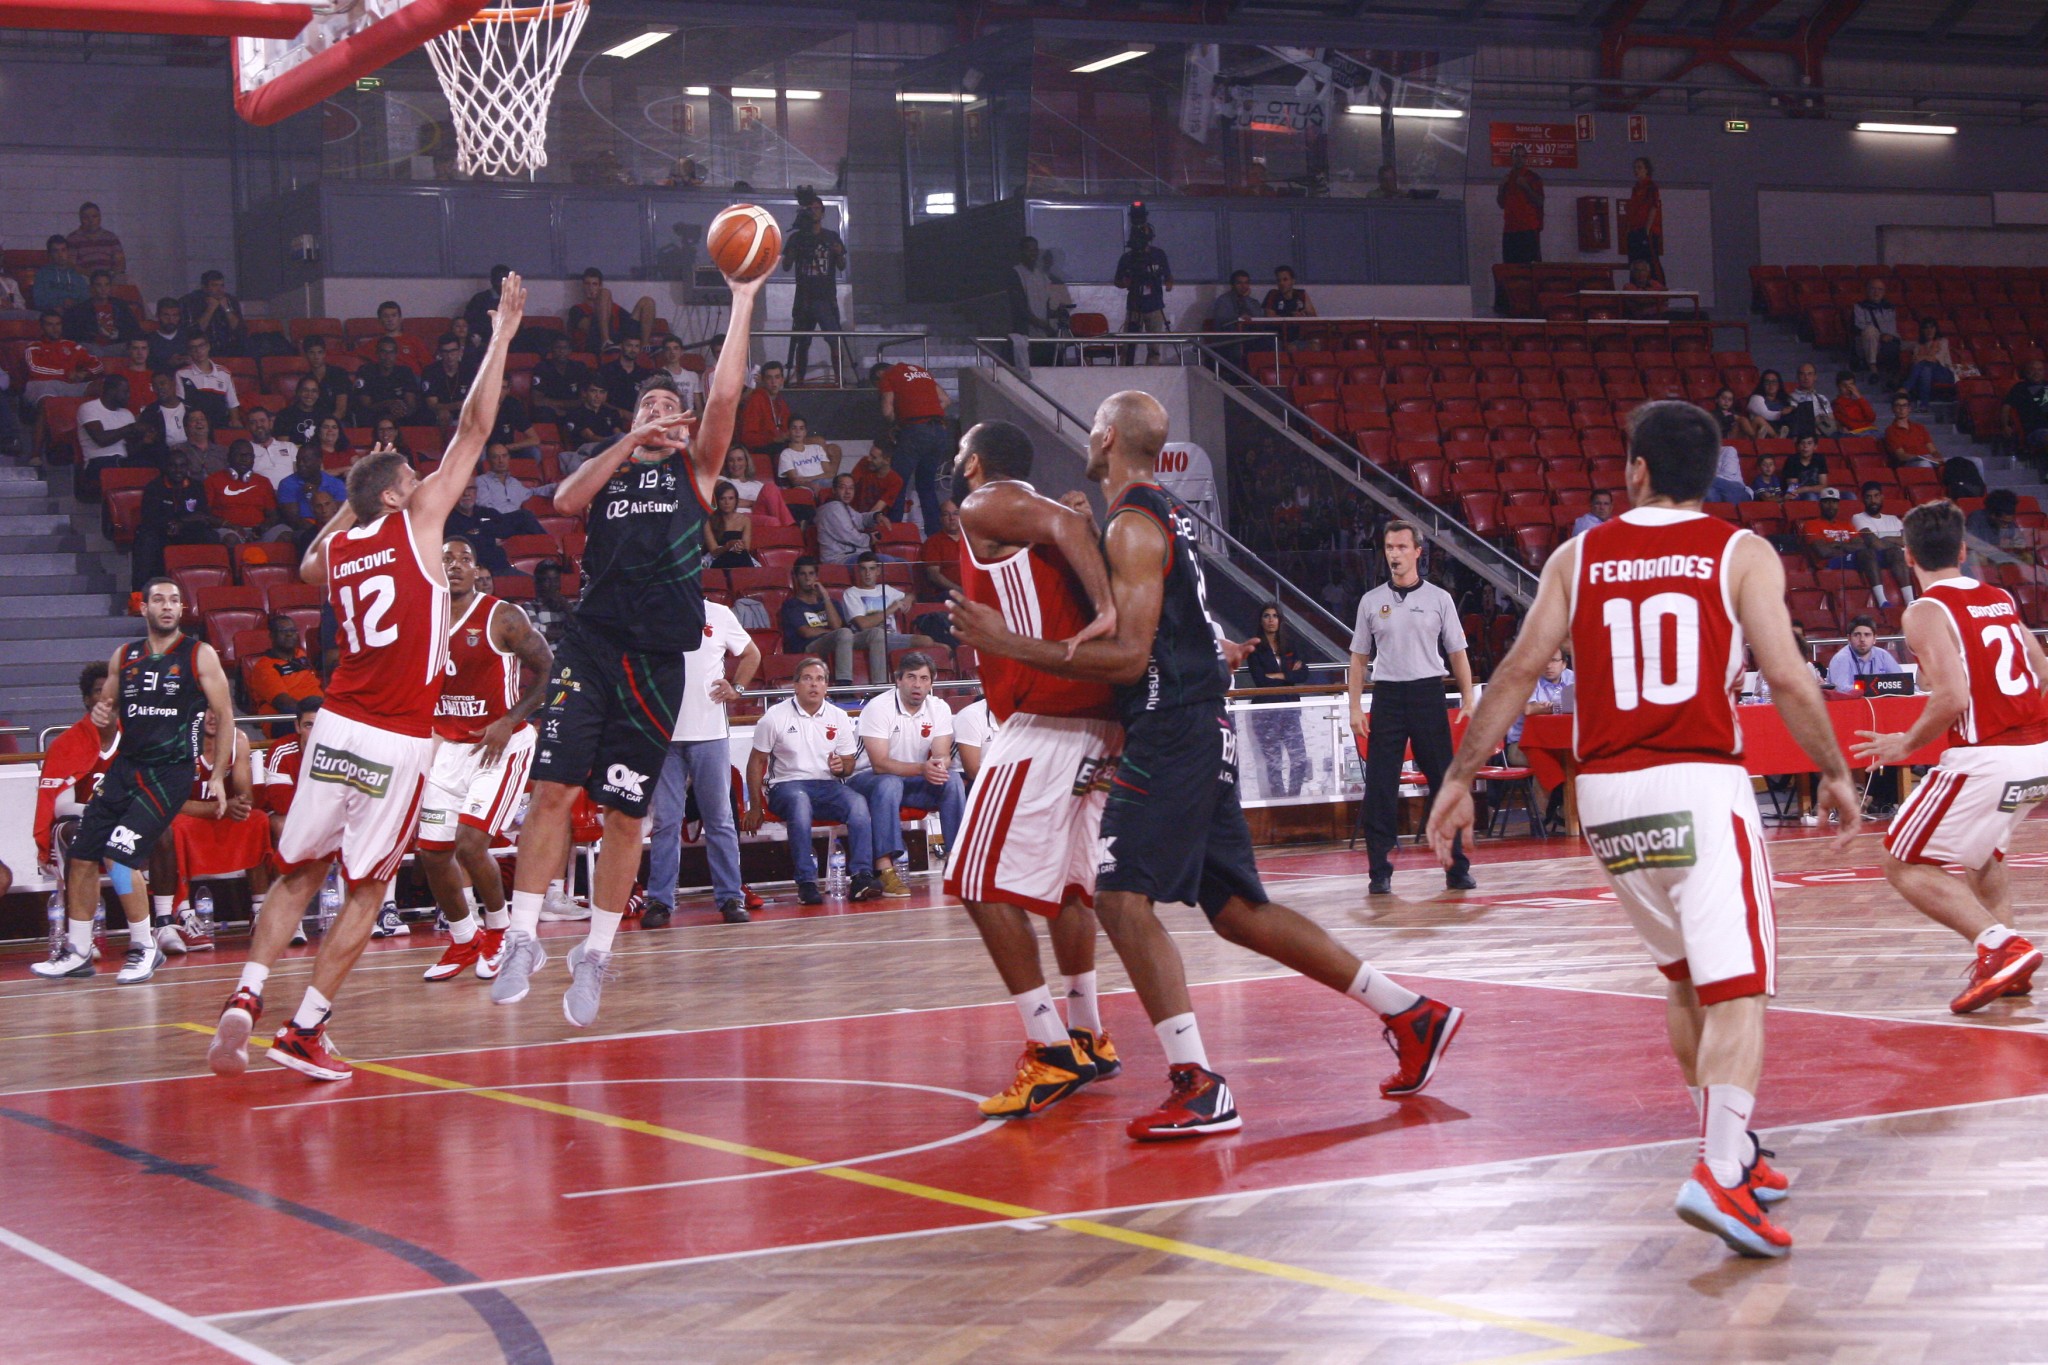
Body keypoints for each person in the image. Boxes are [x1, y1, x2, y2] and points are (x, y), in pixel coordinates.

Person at [955, 393, 1466, 1138]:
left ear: (1106, 437)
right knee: (1238, 913)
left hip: (1172, 728)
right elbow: (1177, 616)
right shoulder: (1162, 513)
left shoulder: (1132, 523)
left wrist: (1010, 645)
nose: (1085, 441)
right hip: (1203, 723)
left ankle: (1198, 1084)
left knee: (1120, 900)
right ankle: (1410, 1012)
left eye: (1091, 430)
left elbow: (1128, 656)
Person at [1428, 399, 1858, 1260]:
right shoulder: (1740, 551)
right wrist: (1836, 770)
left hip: (1608, 799)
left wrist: (1460, 774)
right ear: (1711, 476)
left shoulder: (1576, 555)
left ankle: (1733, 1148)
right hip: (1698, 780)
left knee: (1687, 980)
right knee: (1738, 991)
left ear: (1637, 469)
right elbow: (1786, 675)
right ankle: (1719, 1171)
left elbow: (1517, 670)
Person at [205, 272, 527, 1083]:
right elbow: (476, 426)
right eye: (410, 478)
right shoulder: (417, 523)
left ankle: (247, 992)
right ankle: (304, 1028)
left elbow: (308, 566)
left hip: (335, 721)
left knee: (298, 871)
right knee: (365, 891)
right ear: (395, 494)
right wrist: (501, 336)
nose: (425, 483)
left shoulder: (341, 549)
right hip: (394, 734)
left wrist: (352, 501)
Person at [490, 263, 766, 1029]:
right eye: (649, 406)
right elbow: (564, 498)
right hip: (590, 642)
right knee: (551, 790)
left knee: (624, 812)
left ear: (684, 426)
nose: (660, 414)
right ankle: (522, 937)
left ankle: (596, 953)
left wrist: (743, 299)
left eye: (670, 408)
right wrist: (629, 437)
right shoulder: (608, 472)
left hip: (655, 659)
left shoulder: (695, 472)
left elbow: (725, 398)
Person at [935, 418, 1124, 1117]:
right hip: (1097, 723)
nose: (957, 463)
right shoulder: (1039, 520)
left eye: (960, 453)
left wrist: (1105, 611)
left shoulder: (985, 503)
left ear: (975, 463)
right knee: (1070, 886)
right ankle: (1088, 1030)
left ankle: (1050, 1050)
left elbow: (1069, 526)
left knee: (975, 880)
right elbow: (1073, 528)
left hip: (1045, 718)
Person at [1853, 499, 2048, 1013]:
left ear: (1907, 555)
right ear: (1963, 551)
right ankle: (2008, 970)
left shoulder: (1924, 610)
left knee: (1901, 860)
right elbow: (2043, 671)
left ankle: (2000, 946)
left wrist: (1905, 743)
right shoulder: (2000, 598)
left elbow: (1953, 697)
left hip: (1989, 758)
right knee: (1982, 856)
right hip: (2039, 752)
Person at [33, 579, 235, 984]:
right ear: (144, 608)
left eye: (175, 600)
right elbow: (106, 704)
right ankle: (77, 951)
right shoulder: (125, 655)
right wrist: (104, 713)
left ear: (182, 609)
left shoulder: (199, 654)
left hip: (170, 771)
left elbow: (225, 714)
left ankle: (145, 946)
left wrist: (216, 774)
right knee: (82, 854)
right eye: (159, 600)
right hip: (127, 767)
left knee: (121, 856)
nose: (168, 606)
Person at [416, 536, 553, 982]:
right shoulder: (423, 617)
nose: (455, 565)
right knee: (431, 852)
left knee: (470, 844)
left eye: (464, 559)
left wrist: (510, 719)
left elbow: (550, 669)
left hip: (502, 745)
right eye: (446, 559)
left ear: (477, 570)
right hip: (450, 747)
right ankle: (463, 938)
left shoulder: (502, 616)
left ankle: (500, 932)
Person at [1348, 520, 1477, 894]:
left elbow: (1457, 652)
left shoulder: (1439, 599)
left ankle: (1456, 867)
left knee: (1444, 782)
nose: (1395, 554)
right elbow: (1358, 657)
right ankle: (1379, 871)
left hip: (1427, 694)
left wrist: (1468, 698)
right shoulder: (1371, 601)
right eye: (1390, 547)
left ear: (1418, 552)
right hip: (1387, 696)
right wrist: (1354, 707)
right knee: (1380, 785)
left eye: (1402, 547)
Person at [645, 598, 758, 928]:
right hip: (664, 735)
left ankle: (731, 897)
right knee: (665, 821)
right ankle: (660, 900)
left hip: (710, 733)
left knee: (719, 819)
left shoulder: (719, 614)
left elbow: (752, 654)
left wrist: (737, 688)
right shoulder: (653, 610)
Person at [742, 657, 883, 904]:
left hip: (828, 786)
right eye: (807, 679)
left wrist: (841, 768)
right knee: (799, 802)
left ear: (826, 686)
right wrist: (755, 806)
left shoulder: (839, 716)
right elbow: (756, 762)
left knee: (858, 804)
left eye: (820, 679)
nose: (814, 684)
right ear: (795, 685)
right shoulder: (774, 717)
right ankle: (806, 883)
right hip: (786, 786)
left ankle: (862, 876)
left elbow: (848, 764)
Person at [849, 651, 964, 897]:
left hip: (910, 779)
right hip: (865, 780)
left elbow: (942, 754)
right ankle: (884, 869)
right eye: (911, 677)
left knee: (952, 779)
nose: (917, 685)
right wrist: (923, 768)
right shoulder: (878, 707)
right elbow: (879, 764)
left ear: (931, 683)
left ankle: (957, 861)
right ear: (898, 680)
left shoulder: (939, 708)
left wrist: (938, 765)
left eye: (924, 678)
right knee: (889, 783)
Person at [33, 662, 115, 891]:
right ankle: (80, 910)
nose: (107, 697)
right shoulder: (66, 744)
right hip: (78, 820)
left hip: (125, 819)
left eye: (112, 690)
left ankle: (169, 910)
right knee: (77, 832)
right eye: (99, 691)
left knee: (164, 831)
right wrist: (105, 814)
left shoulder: (135, 740)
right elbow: (62, 808)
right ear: (87, 699)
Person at [873, 359, 950, 534]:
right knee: (927, 486)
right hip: (939, 430)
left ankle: (893, 532)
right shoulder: (922, 371)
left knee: (897, 483)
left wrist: (900, 422)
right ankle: (934, 535)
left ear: (878, 375)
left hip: (915, 431)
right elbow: (945, 400)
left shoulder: (887, 376)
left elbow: (887, 411)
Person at [782, 191, 848, 384]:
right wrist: (794, 250)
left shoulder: (831, 236)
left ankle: (839, 380)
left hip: (826, 298)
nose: (813, 212)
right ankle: (800, 381)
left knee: (834, 340)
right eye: (810, 209)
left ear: (823, 212)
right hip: (804, 298)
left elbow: (842, 266)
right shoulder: (797, 238)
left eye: (817, 208)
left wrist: (838, 253)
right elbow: (786, 266)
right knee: (802, 342)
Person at [1245, 603, 1310, 798]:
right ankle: (1279, 803)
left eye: (1275, 616)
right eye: (1266, 616)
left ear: (1280, 620)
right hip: (1266, 710)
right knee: (1273, 763)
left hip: (1290, 709)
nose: (1271, 620)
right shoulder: (1254, 648)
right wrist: (1289, 675)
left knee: (1300, 760)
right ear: (1261, 620)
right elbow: (1261, 680)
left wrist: (1279, 675)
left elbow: (1303, 674)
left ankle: (1293, 799)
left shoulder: (1289, 645)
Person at [1805, 485, 1904, 608]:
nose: (1831, 505)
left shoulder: (1846, 524)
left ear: (1838, 504)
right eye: (1826, 502)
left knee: (1883, 553)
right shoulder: (1811, 524)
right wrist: (1849, 547)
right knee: (1868, 554)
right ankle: (1882, 601)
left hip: (1849, 559)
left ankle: (1903, 599)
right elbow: (1823, 552)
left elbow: (1861, 545)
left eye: (1834, 502)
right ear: (1819, 504)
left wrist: (1837, 544)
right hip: (1830, 563)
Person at [842, 550, 934, 680]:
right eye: (863, 569)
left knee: (934, 644)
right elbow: (863, 624)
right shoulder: (851, 593)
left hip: (892, 636)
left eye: (872, 569)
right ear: (858, 571)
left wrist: (909, 598)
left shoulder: (886, 589)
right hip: (866, 638)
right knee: (924, 641)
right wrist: (891, 609)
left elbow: (911, 595)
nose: (868, 573)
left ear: (878, 571)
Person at [132, 449, 218, 586]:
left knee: (211, 537)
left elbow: (202, 516)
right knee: (146, 541)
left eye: (182, 466)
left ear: (188, 467)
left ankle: (209, 586)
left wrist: (182, 523)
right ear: (166, 467)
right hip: (161, 532)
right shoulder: (154, 487)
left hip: (188, 531)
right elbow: (149, 518)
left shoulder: (197, 487)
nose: (178, 470)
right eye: (173, 466)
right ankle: (140, 594)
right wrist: (172, 523)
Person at [780, 555, 858, 684]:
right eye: (803, 574)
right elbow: (807, 632)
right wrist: (833, 633)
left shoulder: (831, 603)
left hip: (836, 639)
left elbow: (837, 626)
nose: (807, 578)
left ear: (816, 577)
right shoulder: (792, 605)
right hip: (809, 645)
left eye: (811, 574)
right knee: (844, 633)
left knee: (876, 634)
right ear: (796, 577)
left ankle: (881, 686)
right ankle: (844, 686)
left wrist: (826, 597)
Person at [1113, 221, 1173, 359]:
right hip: (1134, 306)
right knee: (1128, 346)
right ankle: (1126, 369)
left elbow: (1168, 276)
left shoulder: (1158, 254)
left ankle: (1153, 369)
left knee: (1154, 347)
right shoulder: (1127, 258)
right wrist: (1125, 283)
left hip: (1155, 305)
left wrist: (1168, 284)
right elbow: (1117, 281)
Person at [207, 439, 287, 542]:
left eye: (248, 456)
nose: (244, 459)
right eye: (239, 455)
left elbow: (273, 514)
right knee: (231, 539)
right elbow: (205, 514)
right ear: (229, 457)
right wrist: (228, 525)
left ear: (253, 459)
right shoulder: (213, 480)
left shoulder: (263, 482)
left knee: (285, 535)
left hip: (258, 531)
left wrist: (263, 527)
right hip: (228, 530)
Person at [566, 266, 656, 351]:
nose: (591, 288)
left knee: (647, 302)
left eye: (594, 284)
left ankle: (645, 348)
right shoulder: (576, 309)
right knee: (605, 292)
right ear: (583, 285)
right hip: (594, 342)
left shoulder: (614, 307)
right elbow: (589, 329)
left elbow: (630, 324)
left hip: (617, 339)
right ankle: (606, 341)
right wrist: (601, 308)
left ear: (599, 286)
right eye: (587, 284)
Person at [1007, 236, 1064, 365]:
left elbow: (1047, 302)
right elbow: (1019, 307)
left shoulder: (1042, 275)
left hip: (1044, 333)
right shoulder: (1016, 273)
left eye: (1035, 250)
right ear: (1021, 252)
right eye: (1029, 250)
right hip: (1026, 333)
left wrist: (1057, 314)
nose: (1033, 253)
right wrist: (1041, 324)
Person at [816, 472, 891, 565]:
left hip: (857, 556)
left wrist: (876, 516)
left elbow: (860, 519)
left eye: (851, 488)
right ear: (834, 490)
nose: (848, 492)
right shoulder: (832, 508)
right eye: (843, 487)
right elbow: (849, 535)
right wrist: (869, 538)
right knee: (892, 563)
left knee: (899, 562)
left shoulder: (845, 507)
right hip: (840, 559)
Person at [1497, 145, 1545, 287]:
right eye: (1516, 156)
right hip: (1510, 230)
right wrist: (1501, 189)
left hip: (1528, 229)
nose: (1519, 159)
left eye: (1522, 156)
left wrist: (1526, 187)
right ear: (1511, 158)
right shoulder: (1507, 179)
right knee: (1510, 268)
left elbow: (1540, 201)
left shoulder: (1532, 177)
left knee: (1530, 268)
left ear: (1526, 158)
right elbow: (1501, 204)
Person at [63, 270, 141, 348]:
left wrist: (118, 334)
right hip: (92, 347)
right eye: (98, 285)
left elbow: (134, 330)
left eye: (107, 285)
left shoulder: (121, 306)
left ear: (110, 287)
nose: (103, 289)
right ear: (91, 288)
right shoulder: (81, 309)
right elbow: (73, 335)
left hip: (118, 346)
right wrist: (96, 334)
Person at [355, 336, 422, 425]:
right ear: (377, 353)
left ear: (396, 354)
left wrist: (394, 417)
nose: (387, 357)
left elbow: (411, 405)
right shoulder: (366, 371)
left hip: (399, 417)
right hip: (373, 419)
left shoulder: (405, 372)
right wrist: (388, 404)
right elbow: (365, 406)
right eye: (383, 352)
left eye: (391, 352)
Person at [1825, 615, 1902, 692]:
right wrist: (1872, 687)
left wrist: (1874, 687)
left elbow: (1901, 682)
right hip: (1850, 700)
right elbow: (1841, 689)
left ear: (1874, 639)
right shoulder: (1841, 659)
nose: (1862, 639)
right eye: (1857, 635)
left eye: (1867, 635)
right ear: (1849, 638)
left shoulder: (1883, 655)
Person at [181, 270, 246, 356]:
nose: (220, 290)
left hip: (229, 347)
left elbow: (239, 330)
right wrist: (210, 309)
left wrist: (226, 308)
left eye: (222, 285)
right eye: (215, 285)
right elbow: (194, 333)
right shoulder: (190, 301)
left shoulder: (231, 300)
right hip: (201, 349)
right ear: (204, 287)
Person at [1621, 156, 1664, 284]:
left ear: (1647, 170)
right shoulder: (1635, 188)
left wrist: (1647, 229)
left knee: (1651, 260)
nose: (1636, 170)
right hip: (1635, 230)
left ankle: (1659, 286)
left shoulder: (1651, 187)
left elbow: (1653, 207)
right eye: (1635, 168)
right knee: (1634, 261)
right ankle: (1635, 287)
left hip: (1646, 231)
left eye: (1639, 168)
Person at [529, 335, 591, 422]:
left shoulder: (579, 367)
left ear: (570, 350)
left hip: (574, 409)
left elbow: (585, 397)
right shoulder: (542, 368)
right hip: (551, 410)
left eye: (565, 348)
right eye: (558, 347)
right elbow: (537, 400)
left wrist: (563, 406)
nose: (561, 351)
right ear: (551, 349)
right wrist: (557, 408)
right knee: (543, 413)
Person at [737, 360, 792, 454]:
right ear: (762, 380)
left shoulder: (781, 401)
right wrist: (773, 438)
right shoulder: (756, 400)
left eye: (777, 377)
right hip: (763, 449)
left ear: (782, 380)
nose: (773, 382)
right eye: (769, 378)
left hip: (779, 445)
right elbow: (747, 438)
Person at [1851, 278, 1900, 382]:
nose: (1876, 292)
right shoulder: (1859, 307)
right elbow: (1860, 325)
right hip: (1866, 342)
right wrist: (1880, 335)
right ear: (1867, 290)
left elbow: (1892, 328)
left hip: (1887, 341)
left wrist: (1889, 336)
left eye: (1880, 289)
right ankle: (1873, 369)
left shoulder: (1889, 307)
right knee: (1870, 330)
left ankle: (1897, 379)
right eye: (1873, 289)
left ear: (1884, 292)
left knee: (1916, 345)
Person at [775, 417, 837, 498]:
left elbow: (830, 473)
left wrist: (809, 478)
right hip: (805, 486)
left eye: (801, 428)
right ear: (789, 432)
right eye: (794, 428)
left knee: (842, 484)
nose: (798, 431)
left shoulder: (817, 448)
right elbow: (795, 480)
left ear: (805, 432)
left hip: (823, 482)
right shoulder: (786, 454)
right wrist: (810, 484)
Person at [419, 333, 473, 426]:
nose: (450, 356)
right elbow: (432, 404)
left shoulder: (469, 371)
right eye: (445, 352)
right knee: (442, 414)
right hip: (439, 417)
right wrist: (457, 405)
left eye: (453, 351)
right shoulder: (430, 372)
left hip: (465, 415)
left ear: (460, 351)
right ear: (440, 353)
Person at [2002, 358, 2048, 466]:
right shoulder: (2020, 388)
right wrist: (2005, 425)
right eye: (2033, 369)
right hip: (2035, 430)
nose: (2036, 373)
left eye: (2040, 370)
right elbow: (2006, 407)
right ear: (2027, 372)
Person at [1901, 319, 1955, 410]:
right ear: (1922, 330)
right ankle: (1924, 405)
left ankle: (1906, 388)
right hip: (1927, 373)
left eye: (1932, 327)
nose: (1929, 330)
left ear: (1936, 329)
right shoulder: (1919, 344)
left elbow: (1936, 358)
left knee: (1925, 366)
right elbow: (1915, 360)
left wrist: (1922, 357)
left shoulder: (1943, 341)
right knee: (1926, 370)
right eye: (1926, 328)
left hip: (1944, 373)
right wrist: (1922, 358)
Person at [560, 378, 622, 451]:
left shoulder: (612, 413)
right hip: (586, 452)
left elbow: (618, 435)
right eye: (593, 391)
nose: (598, 396)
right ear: (584, 393)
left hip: (611, 450)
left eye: (602, 392)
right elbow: (590, 437)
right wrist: (613, 442)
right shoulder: (575, 414)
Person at [67, 202, 126, 279]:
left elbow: (120, 262)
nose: (91, 220)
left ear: (100, 218)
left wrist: (111, 275)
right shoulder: (73, 239)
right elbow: (71, 265)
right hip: (84, 280)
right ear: (80, 219)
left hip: (108, 280)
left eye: (94, 216)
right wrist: (93, 275)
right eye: (86, 217)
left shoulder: (111, 237)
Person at [703, 479, 754, 568]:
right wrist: (728, 546)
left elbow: (746, 548)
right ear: (717, 501)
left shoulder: (745, 520)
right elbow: (714, 552)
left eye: (731, 498)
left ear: (736, 500)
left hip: (740, 558)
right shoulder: (708, 521)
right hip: (717, 558)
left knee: (742, 555)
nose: (727, 503)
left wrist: (738, 546)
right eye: (722, 498)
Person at [31, 236, 88, 312]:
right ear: (50, 254)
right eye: (55, 251)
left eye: (63, 250)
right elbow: (38, 301)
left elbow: (86, 298)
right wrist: (59, 304)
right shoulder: (42, 274)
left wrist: (74, 303)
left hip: (76, 312)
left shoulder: (77, 274)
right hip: (52, 313)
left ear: (68, 252)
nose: (60, 255)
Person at [245, 406, 298, 489]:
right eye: (253, 422)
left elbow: (299, 473)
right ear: (248, 427)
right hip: (262, 493)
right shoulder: (246, 450)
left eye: (262, 421)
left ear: (270, 423)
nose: (259, 425)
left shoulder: (289, 446)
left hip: (290, 493)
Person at [1883, 394, 1937, 468]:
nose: (1901, 409)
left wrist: (1938, 458)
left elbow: (1933, 450)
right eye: (1898, 406)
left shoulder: (1920, 427)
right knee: (1924, 464)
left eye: (1904, 405)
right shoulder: (1891, 431)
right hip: (1910, 463)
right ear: (1893, 409)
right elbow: (1901, 456)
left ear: (1909, 409)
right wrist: (1921, 457)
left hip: (1929, 459)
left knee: (1951, 463)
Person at [850, 443, 904, 516]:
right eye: (870, 455)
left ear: (887, 460)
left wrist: (861, 520)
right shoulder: (864, 462)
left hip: (870, 518)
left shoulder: (896, 481)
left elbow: (877, 508)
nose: (869, 459)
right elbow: (849, 485)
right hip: (851, 513)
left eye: (874, 457)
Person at [1783, 363, 1834, 440]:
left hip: (1824, 435)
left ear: (1815, 377)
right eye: (1802, 374)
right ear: (1798, 377)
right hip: (1802, 437)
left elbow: (1831, 420)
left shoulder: (1822, 398)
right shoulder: (1790, 398)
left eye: (1809, 374)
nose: (1806, 378)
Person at [1746, 370, 1791, 439]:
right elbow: (1766, 414)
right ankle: (1777, 437)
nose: (1771, 385)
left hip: (1780, 428)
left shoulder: (1785, 400)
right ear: (1762, 384)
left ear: (1779, 385)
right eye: (1767, 382)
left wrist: (1792, 409)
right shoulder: (1755, 398)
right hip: (1758, 430)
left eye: (1774, 381)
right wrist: (1782, 413)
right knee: (1758, 419)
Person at [1833, 372, 1877, 436]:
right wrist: (1865, 424)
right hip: (1857, 433)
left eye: (1851, 385)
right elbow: (1850, 424)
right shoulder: (1836, 404)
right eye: (1844, 385)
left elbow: (1872, 417)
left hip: (1872, 430)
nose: (1848, 388)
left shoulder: (1859, 401)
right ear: (1838, 386)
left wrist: (1859, 396)